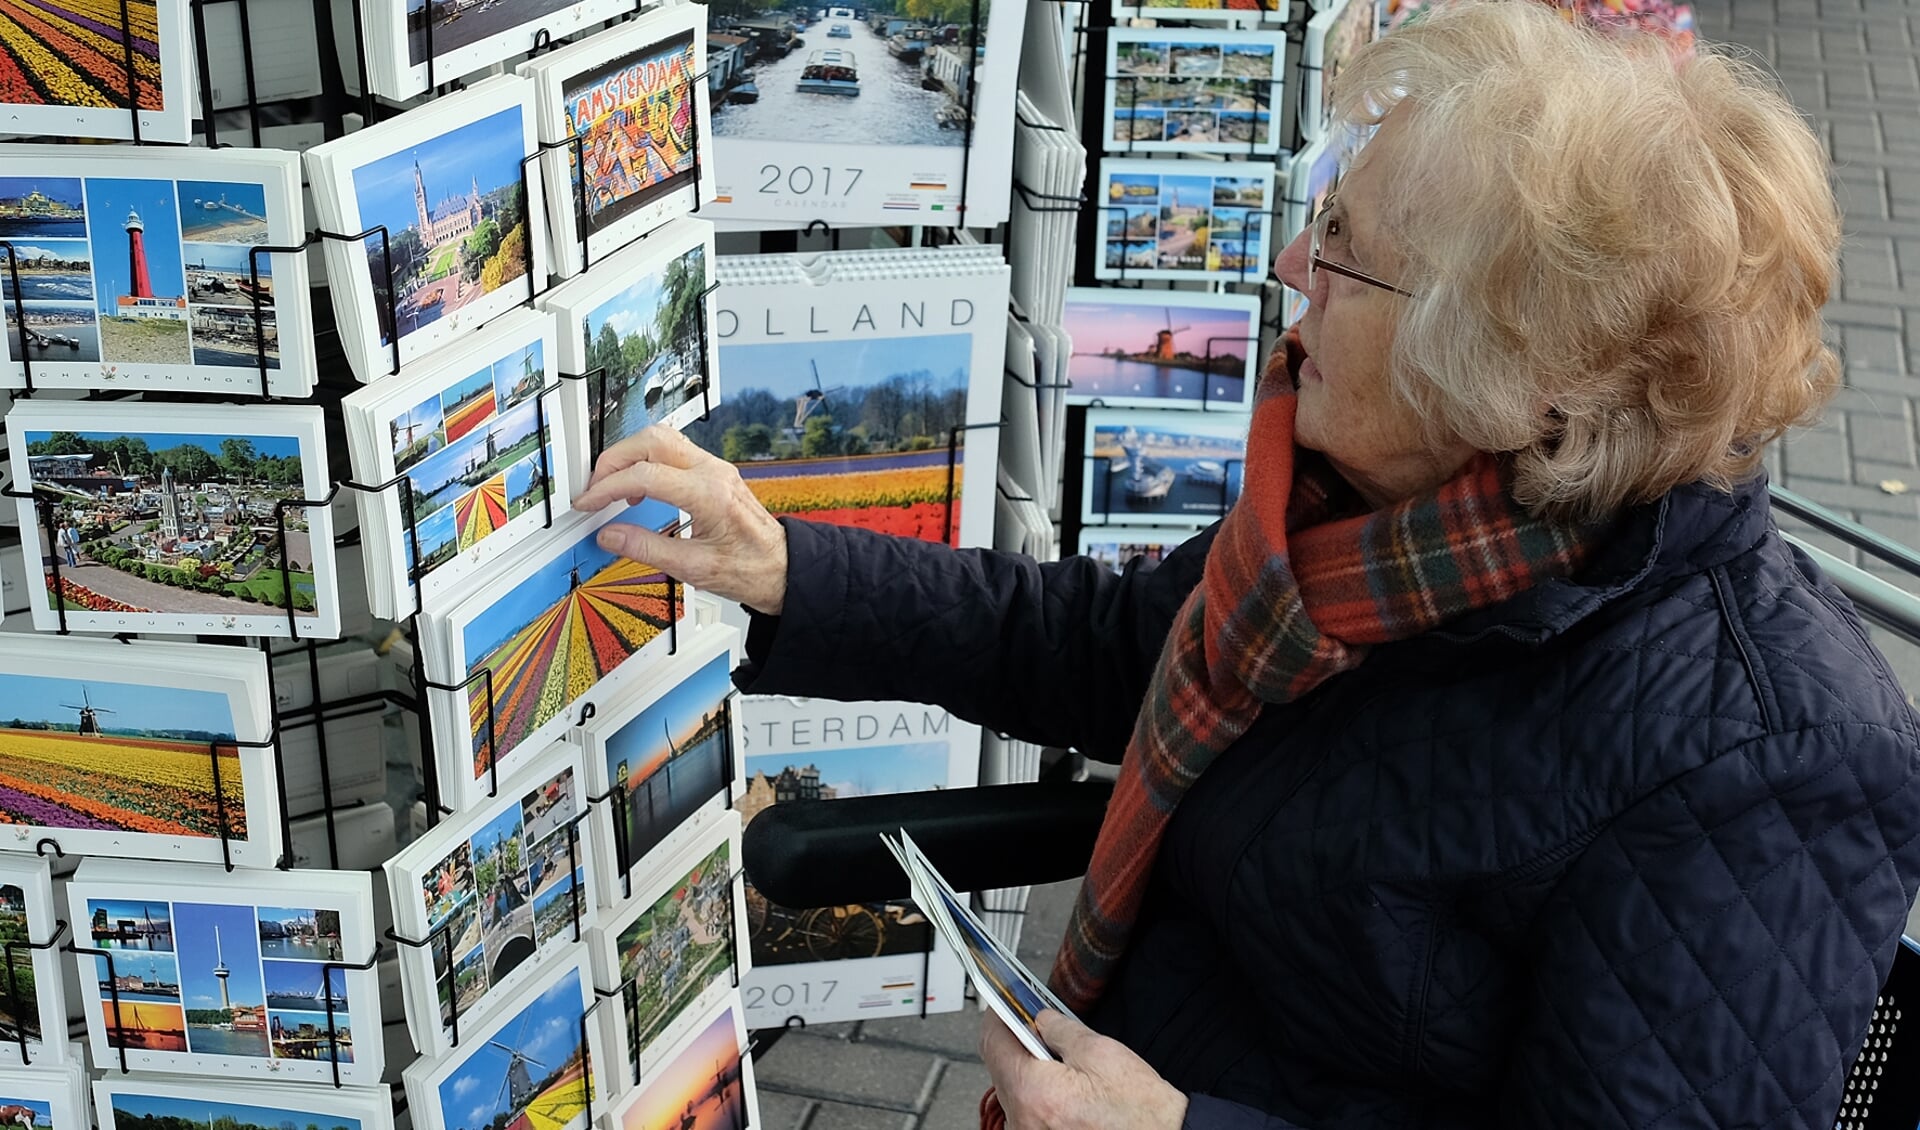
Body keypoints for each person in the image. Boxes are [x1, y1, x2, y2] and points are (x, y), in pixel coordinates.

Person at [572, 4, 1920, 1125]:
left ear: (1528, 389)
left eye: (1351, 260)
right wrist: (786, 567)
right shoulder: (1374, 520)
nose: (1289, 268)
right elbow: (1109, 643)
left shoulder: (1769, 754)